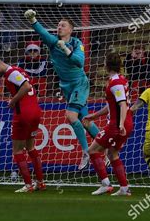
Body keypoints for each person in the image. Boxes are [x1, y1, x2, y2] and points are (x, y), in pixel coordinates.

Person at [24, 9, 101, 170]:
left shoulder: (76, 44)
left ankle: (87, 151)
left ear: (70, 30)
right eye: (58, 25)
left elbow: (80, 62)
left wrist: (66, 49)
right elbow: (43, 33)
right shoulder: (53, 43)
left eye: (63, 25)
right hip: (66, 87)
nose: (59, 27)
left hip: (79, 83)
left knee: (71, 116)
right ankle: (106, 146)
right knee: (85, 121)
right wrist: (33, 20)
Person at [0, 57, 45, 193]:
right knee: (31, 147)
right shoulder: (19, 70)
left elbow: (26, 86)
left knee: (17, 150)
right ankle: (40, 182)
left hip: (23, 113)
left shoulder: (11, 73)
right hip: (35, 111)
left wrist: (13, 101)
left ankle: (28, 185)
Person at [82, 52, 134, 196]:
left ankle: (105, 184)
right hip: (125, 122)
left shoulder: (115, 83)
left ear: (106, 65)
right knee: (113, 154)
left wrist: (121, 124)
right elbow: (113, 106)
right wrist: (94, 115)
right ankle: (124, 188)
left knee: (92, 150)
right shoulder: (121, 80)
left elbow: (123, 105)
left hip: (117, 124)